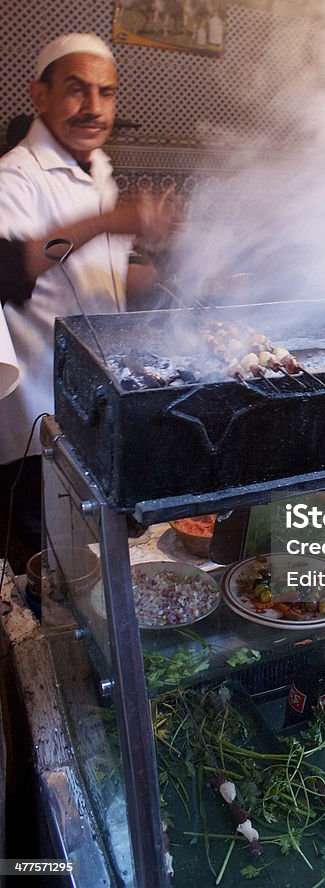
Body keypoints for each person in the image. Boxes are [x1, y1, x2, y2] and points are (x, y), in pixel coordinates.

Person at [0, 32, 173, 572]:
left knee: (93, 548)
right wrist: (104, 222)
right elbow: (15, 266)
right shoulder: (15, 175)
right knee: (51, 561)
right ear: (40, 95)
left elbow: (100, 273)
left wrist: (162, 267)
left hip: (92, 399)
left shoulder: (97, 166)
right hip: (36, 414)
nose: (94, 107)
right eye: (77, 90)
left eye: (106, 92)